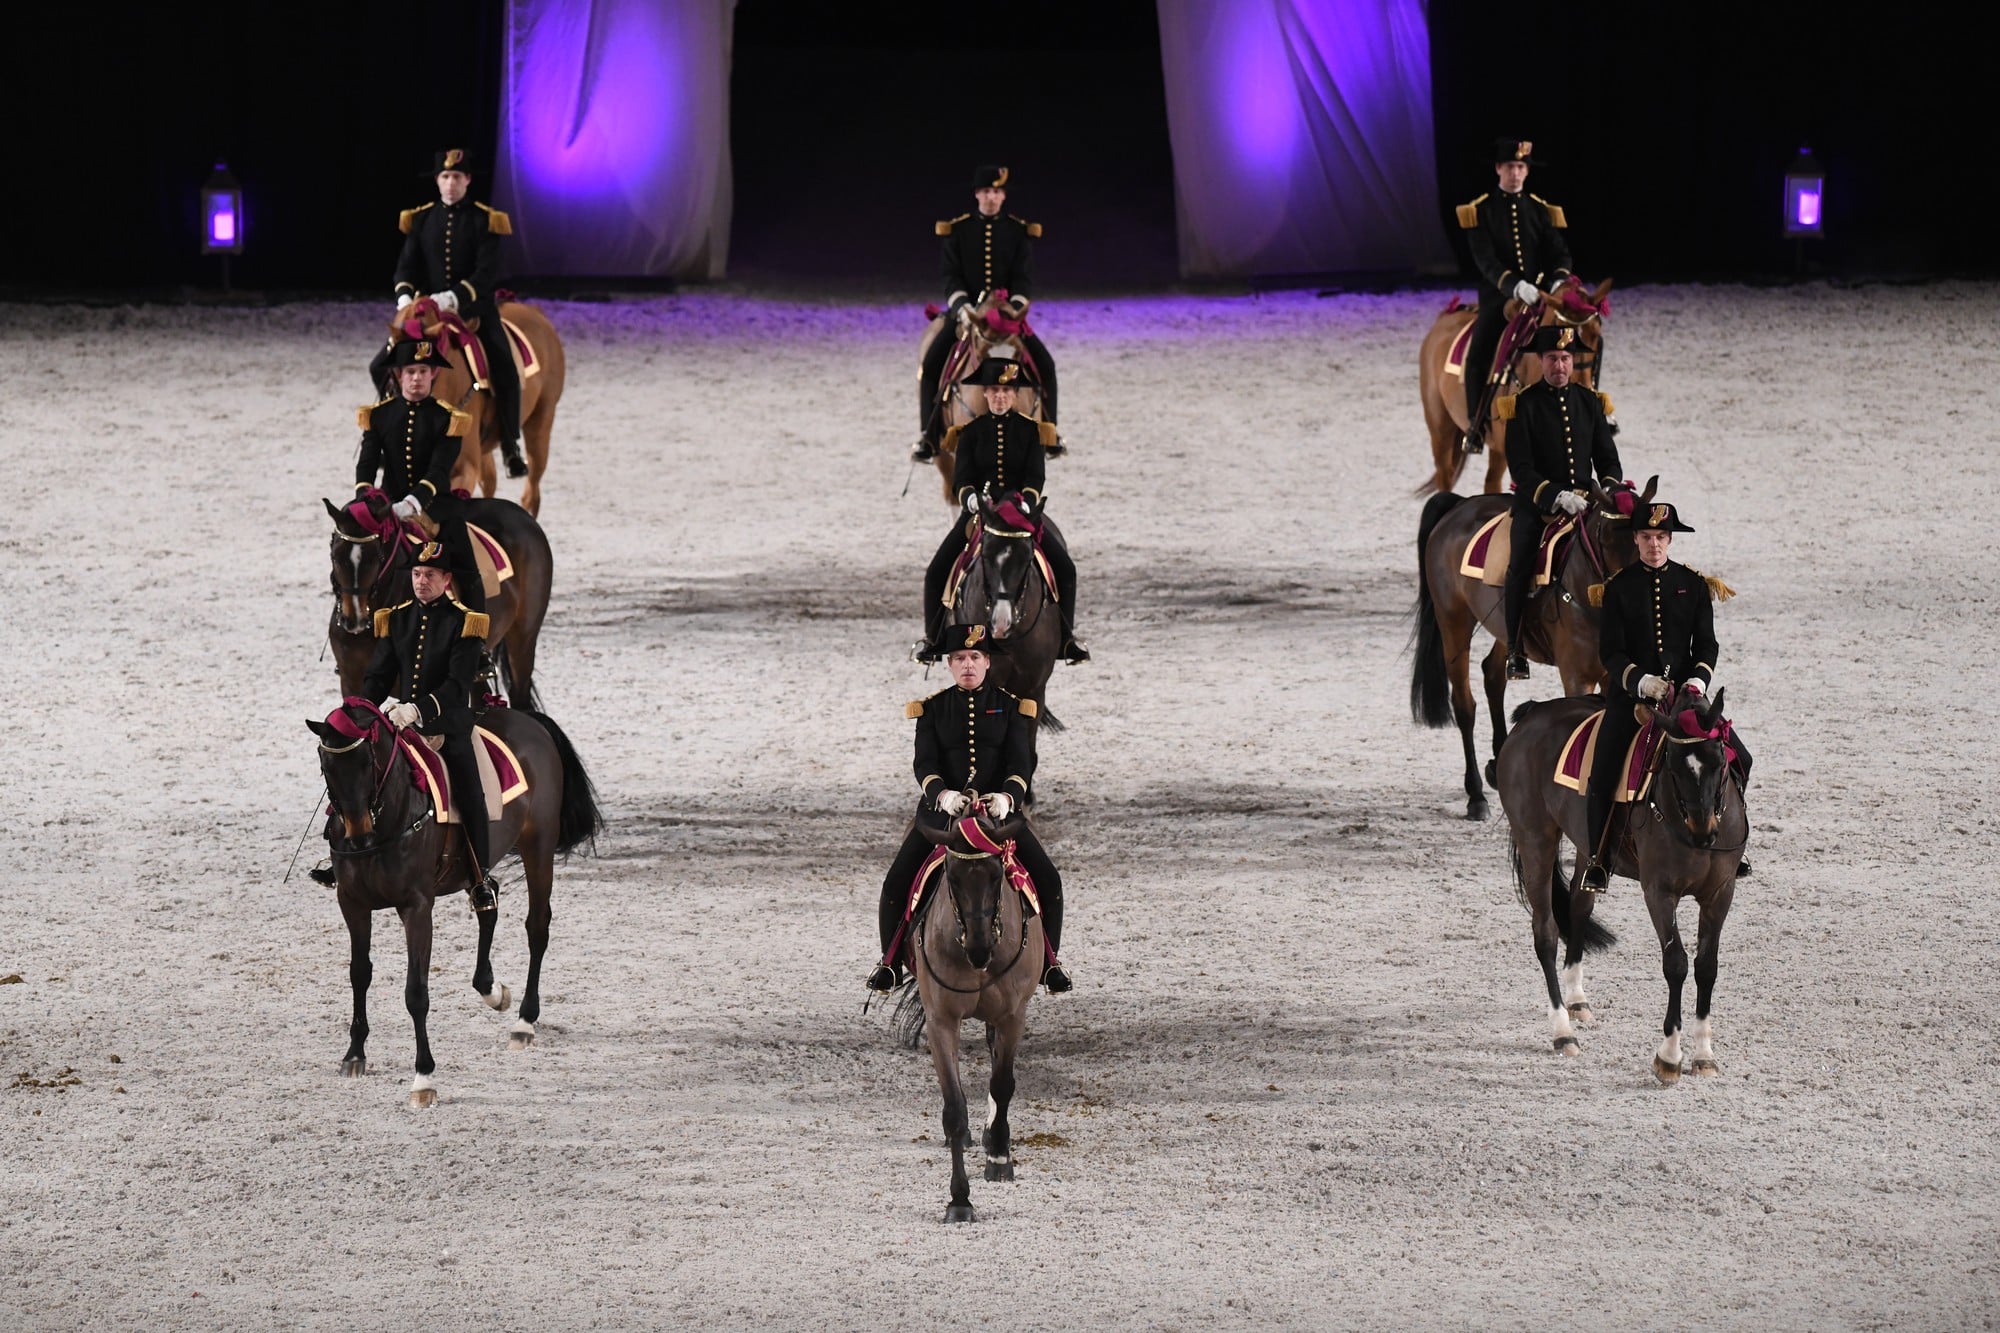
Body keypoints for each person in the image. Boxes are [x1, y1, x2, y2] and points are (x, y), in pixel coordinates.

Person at [868, 626, 1070, 993]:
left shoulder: (1013, 708)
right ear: (949, 664)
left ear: (988, 662)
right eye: (959, 658)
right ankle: (890, 963)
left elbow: (1020, 765)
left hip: (998, 817)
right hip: (941, 816)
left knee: (1050, 881)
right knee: (896, 882)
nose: (968, 665)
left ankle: (1050, 964)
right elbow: (924, 764)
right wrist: (941, 794)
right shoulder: (931, 710)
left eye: (975, 657)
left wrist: (1008, 798)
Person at [1582, 502, 1754, 891]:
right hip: (1633, 700)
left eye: (1660, 538)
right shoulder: (1618, 588)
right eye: (1646, 537)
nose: (1654, 545)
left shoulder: (1693, 585)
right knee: (1604, 771)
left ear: (1670, 540)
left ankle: (1732, 846)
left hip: (1687, 701)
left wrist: (1696, 683)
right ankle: (1598, 858)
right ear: (1636, 540)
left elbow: (1706, 647)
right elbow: (1610, 653)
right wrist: (1641, 682)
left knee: (1740, 758)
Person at [914, 358, 1088, 665]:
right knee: (937, 570)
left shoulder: (1031, 431)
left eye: (1006, 392)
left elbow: (1036, 476)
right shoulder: (969, 432)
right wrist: (968, 499)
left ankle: (1067, 640)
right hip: (981, 512)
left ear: (1014, 395)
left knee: (1066, 568)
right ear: (984, 394)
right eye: (994, 390)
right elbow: (962, 478)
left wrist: (1026, 501)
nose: (999, 397)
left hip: (1021, 513)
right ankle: (934, 640)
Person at [369, 148, 525, 478]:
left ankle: (510, 444)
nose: (450, 183)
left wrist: (451, 298)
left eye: (456, 176)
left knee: (505, 369)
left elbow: (484, 275)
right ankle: (384, 437)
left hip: (473, 311)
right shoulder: (422, 219)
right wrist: (405, 299)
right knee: (378, 365)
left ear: (468, 180)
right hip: (425, 314)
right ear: (437, 181)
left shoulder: (485, 220)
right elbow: (405, 269)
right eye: (445, 176)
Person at [913, 164, 1059, 461]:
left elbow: (1023, 278)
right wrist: (964, 309)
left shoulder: (1018, 232)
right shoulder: (959, 230)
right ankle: (928, 437)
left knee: (1045, 364)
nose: (991, 197)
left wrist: (1013, 310)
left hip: (1007, 318)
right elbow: (950, 277)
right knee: (931, 365)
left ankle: (1050, 432)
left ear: (1003, 196)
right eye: (987, 191)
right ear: (977, 194)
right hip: (967, 314)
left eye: (997, 192)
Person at [1499, 324, 1620, 679]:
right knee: (1520, 560)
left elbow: (1608, 460)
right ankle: (1514, 648)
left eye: (1566, 358)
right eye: (1552, 358)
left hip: (1587, 503)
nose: (1560, 366)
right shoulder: (1522, 405)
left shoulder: (1590, 402)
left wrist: (1609, 490)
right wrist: (1556, 495)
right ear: (1541, 360)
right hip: (1539, 505)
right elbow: (1520, 467)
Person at [1457, 137, 1573, 452]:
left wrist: (1555, 283)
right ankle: (1476, 424)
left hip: (1540, 298)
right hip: (1500, 299)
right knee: (1480, 354)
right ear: (1498, 169)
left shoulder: (1540, 209)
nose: (1515, 173)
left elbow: (1561, 256)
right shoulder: (1480, 210)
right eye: (1510, 166)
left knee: (1577, 345)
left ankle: (1590, 410)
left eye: (1521, 167)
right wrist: (1514, 286)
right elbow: (1486, 262)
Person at [355, 337, 485, 616]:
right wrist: (365, 498)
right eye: (411, 372)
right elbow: (366, 466)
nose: (417, 379)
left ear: (433, 375)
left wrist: (413, 503)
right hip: (388, 502)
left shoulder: (447, 419)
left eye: (423, 372)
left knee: (467, 569)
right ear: (398, 375)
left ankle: (477, 640)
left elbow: (439, 472)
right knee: (352, 557)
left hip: (435, 506)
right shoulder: (379, 416)